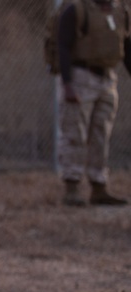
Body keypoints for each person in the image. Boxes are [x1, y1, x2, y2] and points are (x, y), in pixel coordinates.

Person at [56, 0, 131, 206]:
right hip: (81, 76)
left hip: (107, 78)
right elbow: (63, 45)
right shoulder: (77, 10)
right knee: (75, 132)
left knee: (101, 133)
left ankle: (99, 187)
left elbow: (125, 45)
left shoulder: (120, 11)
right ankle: (72, 187)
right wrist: (67, 84)